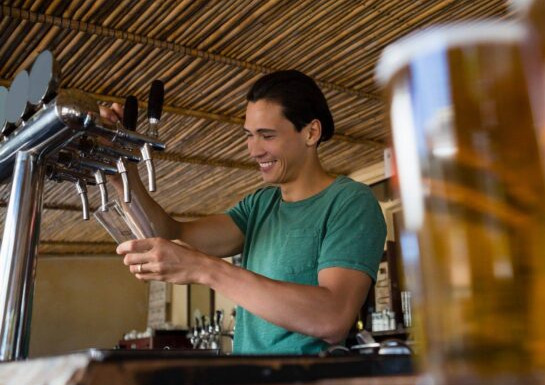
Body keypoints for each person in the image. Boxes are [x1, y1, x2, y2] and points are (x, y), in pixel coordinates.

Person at [102, 70, 387, 354]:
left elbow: (332, 317)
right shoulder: (260, 206)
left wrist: (205, 269)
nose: (254, 150)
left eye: (267, 135)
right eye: (249, 136)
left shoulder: (350, 202)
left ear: (311, 132)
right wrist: (120, 173)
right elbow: (168, 234)